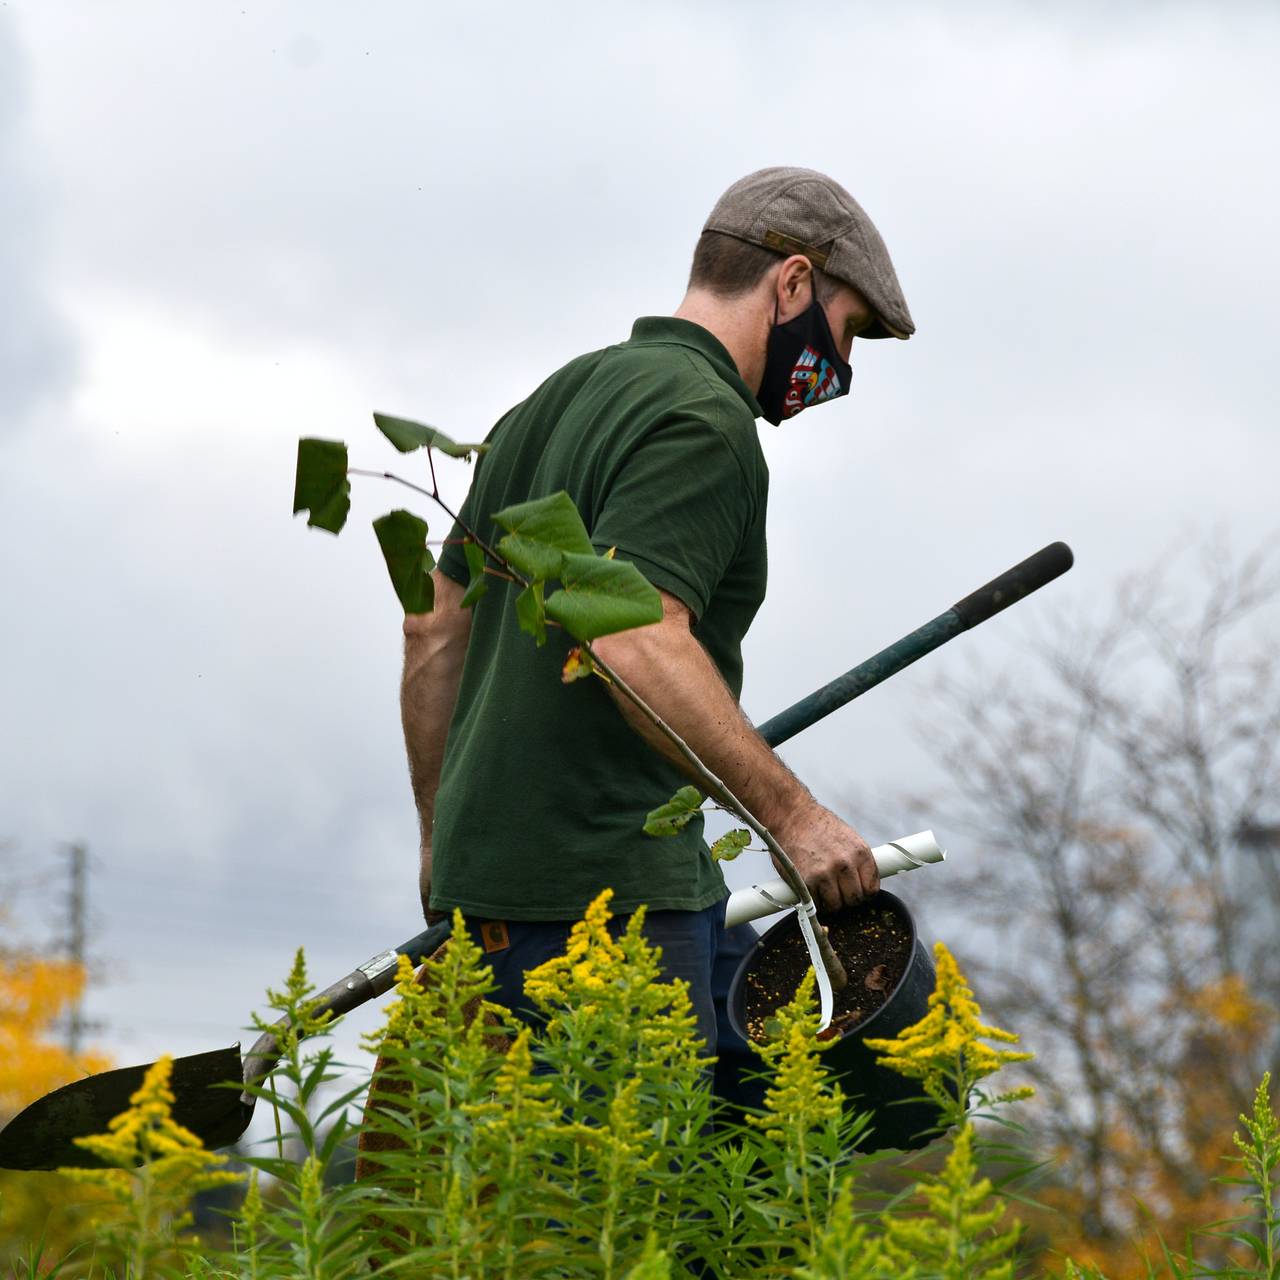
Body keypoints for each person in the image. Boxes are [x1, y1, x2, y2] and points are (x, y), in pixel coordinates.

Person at [399, 167, 914, 1100]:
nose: (842, 368)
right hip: (613, 907)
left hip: (504, 908)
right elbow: (633, 638)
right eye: (849, 333)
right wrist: (795, 821)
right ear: (792, 285)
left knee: (766, 1146)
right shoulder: (704, 421)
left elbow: (435, 629)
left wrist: (445, 844)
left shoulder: (552, 402)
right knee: (619, 1223)